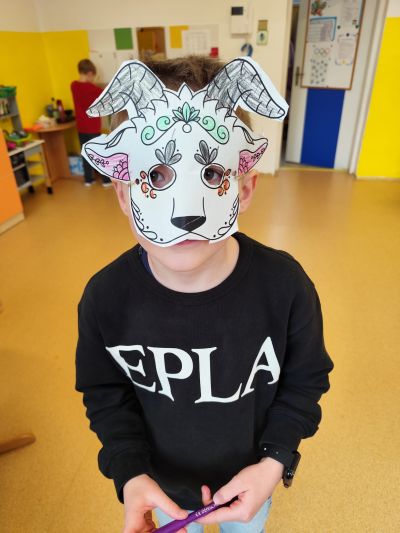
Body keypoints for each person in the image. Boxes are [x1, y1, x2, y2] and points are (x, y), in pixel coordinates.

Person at [75, 56, 333, 533]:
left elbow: (306, 381)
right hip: (163, 490)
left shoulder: (285, 288)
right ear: (123, 193)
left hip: (250, 483)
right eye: (156, 177)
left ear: (245, 187)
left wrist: (274, 461)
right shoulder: (105, 300)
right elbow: (105, 394)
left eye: (212, 175)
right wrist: (130, 472)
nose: (185, 212)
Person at [71, 59, 112, 187]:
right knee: (99, 154)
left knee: (86, 154)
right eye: (93, 76)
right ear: (89, 73)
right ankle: (106, 181)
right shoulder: (93, 89)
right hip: (93, 128)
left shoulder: (73, 85)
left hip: (81, 128)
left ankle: (88, 180)